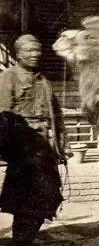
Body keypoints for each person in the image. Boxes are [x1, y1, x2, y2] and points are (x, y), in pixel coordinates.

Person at [0, 34, 68, 245]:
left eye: (37, 50)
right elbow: (3, 114)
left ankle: (24, 237)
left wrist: (62, 143)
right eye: (29, 51)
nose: (35, 54)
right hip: (23, 149)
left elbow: (56, 115)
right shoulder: (8, 77)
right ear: (17, 54)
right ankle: (22, 239)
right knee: (27, 197)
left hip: (44, 148)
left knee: (47, 195)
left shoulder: (43, 80)